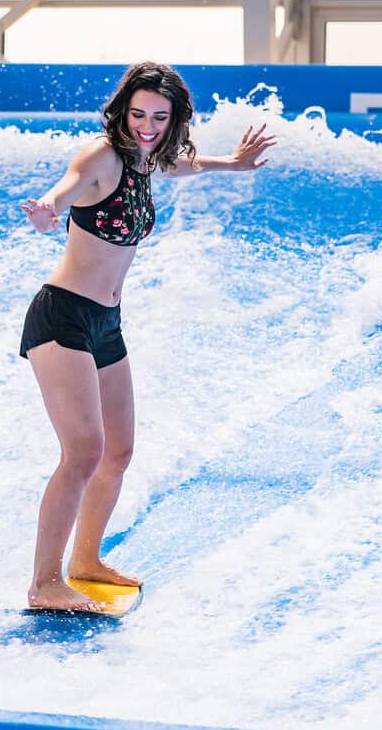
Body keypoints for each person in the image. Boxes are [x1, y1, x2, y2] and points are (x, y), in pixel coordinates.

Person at [20, 61, 276, 612]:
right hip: (62, 316)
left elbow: (181, 164)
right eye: (138, 114)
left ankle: (85, 560)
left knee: (118, 452)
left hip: (106, 322)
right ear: (122, 112)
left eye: (160, 117)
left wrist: (231, 164)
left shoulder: (146, 159)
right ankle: (44, 583)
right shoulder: (101, 156)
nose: (147, 125)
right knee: (83, 451)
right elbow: (68, 186)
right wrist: (50, 208)